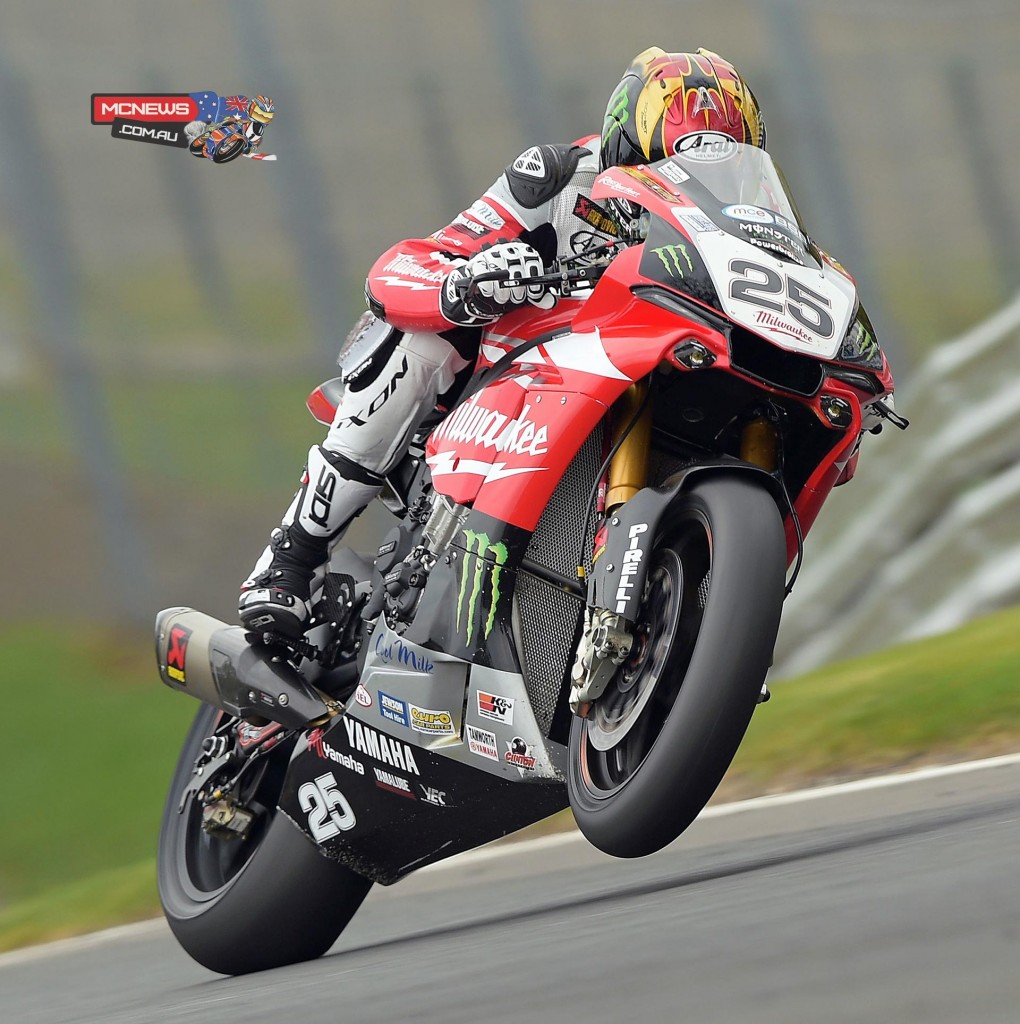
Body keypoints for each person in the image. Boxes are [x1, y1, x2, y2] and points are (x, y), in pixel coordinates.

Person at [237, 47, 767, 638]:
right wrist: (469, 284)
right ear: (629, 145)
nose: (687, 185)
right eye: (671, 164)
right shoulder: (560, 178)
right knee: (426, 338)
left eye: (714, 171)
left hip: (642, 378)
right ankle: (290, 556)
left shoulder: (742, 233)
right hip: (512, 373)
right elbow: (411, 266)